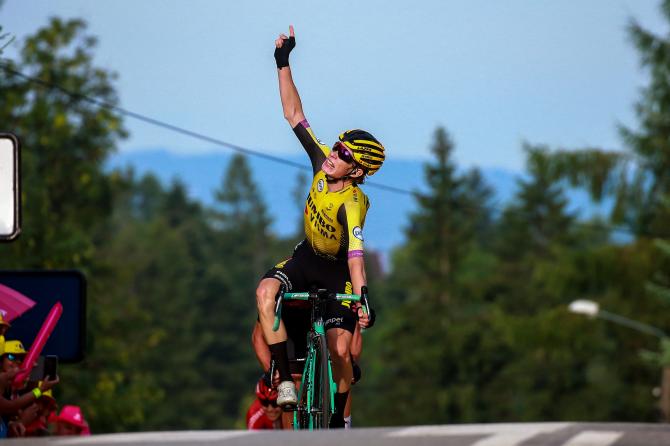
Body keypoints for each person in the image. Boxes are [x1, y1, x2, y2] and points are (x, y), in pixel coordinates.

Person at [255, 25, 381, 428]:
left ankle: (337, 420)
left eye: (343, 153)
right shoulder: (321, 160)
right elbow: (294, 113)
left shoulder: (352, 205)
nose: (334, 153)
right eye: (338, 144)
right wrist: (282, 60)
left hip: (338, 271)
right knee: (264, 293)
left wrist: (362, 298)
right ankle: (285, 381)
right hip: (306, 257)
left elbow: (357, 257)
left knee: (341, 352)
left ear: (357, 170)